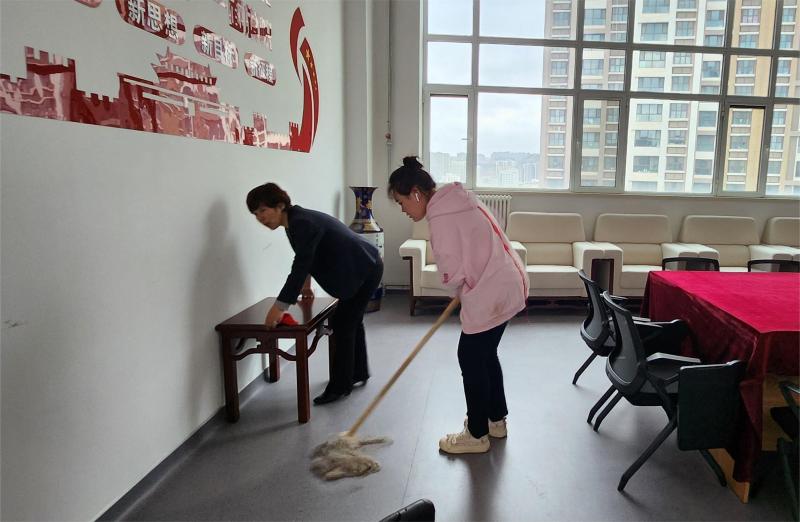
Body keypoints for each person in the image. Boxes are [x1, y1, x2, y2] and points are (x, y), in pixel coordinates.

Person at [388, 157, 529, 454]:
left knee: (470, 356)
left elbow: (451, 270)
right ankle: (495, 421)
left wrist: (457, 285)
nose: (403, 210)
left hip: (491, 290)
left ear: (415, 193)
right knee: (485, 354)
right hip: (508, 281)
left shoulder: (441, 217)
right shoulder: (461, 199)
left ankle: (476, 435)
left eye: (402, 202)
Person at [246, 183, 383, 405]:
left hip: (365, 267)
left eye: (263, 210)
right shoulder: (294, 222)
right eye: (255, 214)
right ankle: (357, 373)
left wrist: (279, 307)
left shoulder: (301, 223)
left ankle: (340, 386)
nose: (260, 218)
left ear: (280, 206)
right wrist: (306, 286)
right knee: (350, 322)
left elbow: (300, 265)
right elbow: (307, 257)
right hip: (364, 264)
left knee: (343, 324)